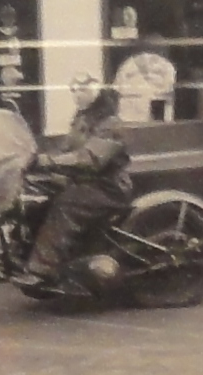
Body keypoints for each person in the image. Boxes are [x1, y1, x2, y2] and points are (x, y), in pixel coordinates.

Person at [24, 84, 135, 285]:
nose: (77, 94)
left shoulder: (111, 125)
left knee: (66, 204)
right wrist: (37, 158)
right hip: (85, 181)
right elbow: (66, 148)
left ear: (96, 93)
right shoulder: (82, 118)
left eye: (82, 89)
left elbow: (90, 159)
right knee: (40, 194)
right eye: (74, 90)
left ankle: (44, 268)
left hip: (108, 187)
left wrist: (49, 161)